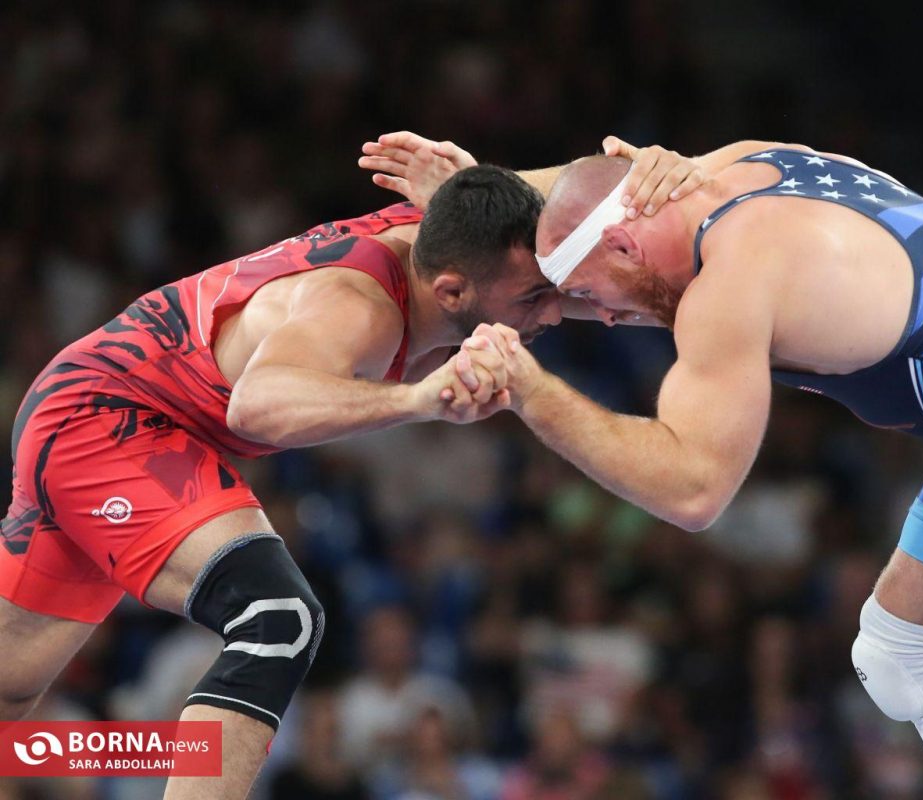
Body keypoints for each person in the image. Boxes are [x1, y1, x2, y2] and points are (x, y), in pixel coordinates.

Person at [386, 134, 923, 798]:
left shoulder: (733, 285)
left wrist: (534, 394)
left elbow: (694, 489)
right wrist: (475, 195)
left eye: (601, 300)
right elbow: (598, 186)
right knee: (903, 646)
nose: (607, 320)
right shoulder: (733, 166)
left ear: (629, 241)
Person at [0, 141, 700, 799]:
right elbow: (258, 405)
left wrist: (660, 171)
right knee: (275, 617)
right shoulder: (356, 304)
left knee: (11, 702)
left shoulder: (459, 233)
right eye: (532, 301)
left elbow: (564, 204)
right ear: (453, 291)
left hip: (95, 410)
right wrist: (419, 400)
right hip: (111, 421)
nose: (558, 310)